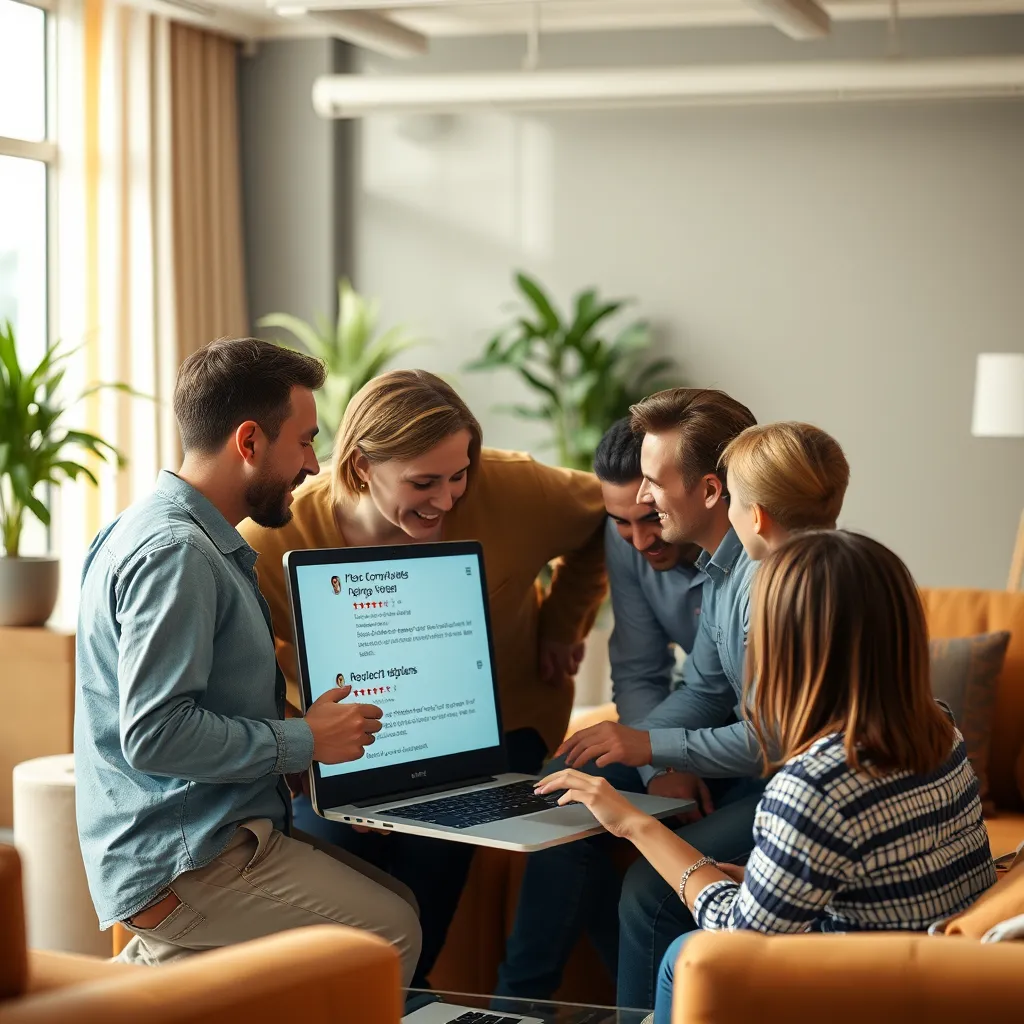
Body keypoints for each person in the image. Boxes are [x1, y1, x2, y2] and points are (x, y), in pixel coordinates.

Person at [239, 368, 607, 988]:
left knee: (432, 845)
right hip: (352, 743)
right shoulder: (278, 538)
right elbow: (244, 649)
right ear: (359, 467)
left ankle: (401, 993)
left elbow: (605, 518)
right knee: (332, 852)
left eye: (458, 475)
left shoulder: (514, 488)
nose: (446, 498)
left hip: (499, 725)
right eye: (423, 482)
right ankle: (380, 996)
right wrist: (297, 730)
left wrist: (562, 623)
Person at [538, 530, 997, 1024]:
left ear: (789, 647)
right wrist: (752, 879)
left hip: (862, 989)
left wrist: (630, 822)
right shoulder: (937, 725)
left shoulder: (814, 785)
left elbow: (739, 938)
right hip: (929, 973)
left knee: (685, 958)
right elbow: (880, 874)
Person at [75, 338, 422, 979]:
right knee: (387, 936)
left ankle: (166, 977)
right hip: (184, 860)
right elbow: (154, 735)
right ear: (249, 442)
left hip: (208, 836)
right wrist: (302, 741)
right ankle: (161, 965)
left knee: (398, 904)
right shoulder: (176, 553)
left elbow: (212, 699)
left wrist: (320, 764)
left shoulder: (156, 530)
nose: (315, 466)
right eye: (304, 441)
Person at [556, 407, 852, 1009]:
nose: (643, 498)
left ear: (720, 493)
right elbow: (706, 690)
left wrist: (649, 745)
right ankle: (521, 998)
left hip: (793, 782)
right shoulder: (721, 569)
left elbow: (775, 740)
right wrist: (633, 743)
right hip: (779, 764)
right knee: (568, 779)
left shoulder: (771, 586)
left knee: (649, 887)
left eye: (653, 481)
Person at [493, 417, 706, 1000]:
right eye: (620, 523)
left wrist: (662, 750)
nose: (639, 541)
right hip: (676, 736)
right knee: (562, 785)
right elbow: (639, 671)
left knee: (640, 876)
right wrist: (657, 766)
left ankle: (632, 1003)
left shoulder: (736, 563)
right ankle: (521, 1003)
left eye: (652, 518)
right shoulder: (626, 540)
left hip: (747, 748)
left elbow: (726, 696)